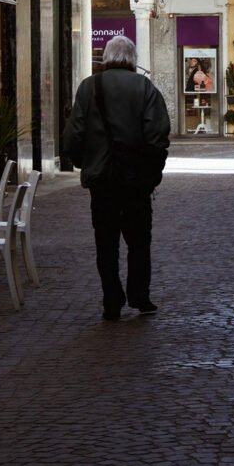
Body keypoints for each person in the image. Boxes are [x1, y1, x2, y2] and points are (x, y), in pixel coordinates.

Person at [64, 35, 171, 321]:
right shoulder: (145, 87)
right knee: (139, 241)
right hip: (136, 180)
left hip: (102, 180)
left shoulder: (89, 87)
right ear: (132, 59)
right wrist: (152, 173)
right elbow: (158, 134)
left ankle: (111, 299)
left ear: (107, 57)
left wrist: (83, 163)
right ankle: (139, 295)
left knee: (106, 242)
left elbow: (74, 133)